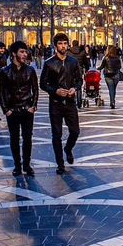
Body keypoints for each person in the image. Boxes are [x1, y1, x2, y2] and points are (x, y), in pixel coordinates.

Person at [40, 33, 82, 175]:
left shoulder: (73, 62)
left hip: (70, 102)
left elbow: (79, 80)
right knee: (56, 134)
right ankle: (60, 163)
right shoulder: (49, 63)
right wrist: (55, 91)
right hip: (56, 103)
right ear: (55, 45)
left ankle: (68, 148)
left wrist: (74, 88)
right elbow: (43, 84)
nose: (63, 46)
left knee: (75, 131)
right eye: (60, 43)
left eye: (65, 43)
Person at [0, 41, 39, 177]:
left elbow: (35, 89)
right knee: (14, 138)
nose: (25, 54)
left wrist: (33, 106)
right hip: (13, 110)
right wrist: (6, 110)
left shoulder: (30, 70)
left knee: (28, 138)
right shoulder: (5, 72)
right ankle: (17, 165)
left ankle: (27, 165)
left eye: (25, 52)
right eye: (22, 52)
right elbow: (1, 92)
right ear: (14, 53)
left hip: (27, 109)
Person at [67, 40, 88, 108]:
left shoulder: (68, 52)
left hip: (70, 71)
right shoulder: (82, 52)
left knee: (70, 85)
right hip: (79, 70)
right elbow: (85, 62)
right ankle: (79, 102)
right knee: (79, 86)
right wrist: (86, 69)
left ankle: (71, 100)